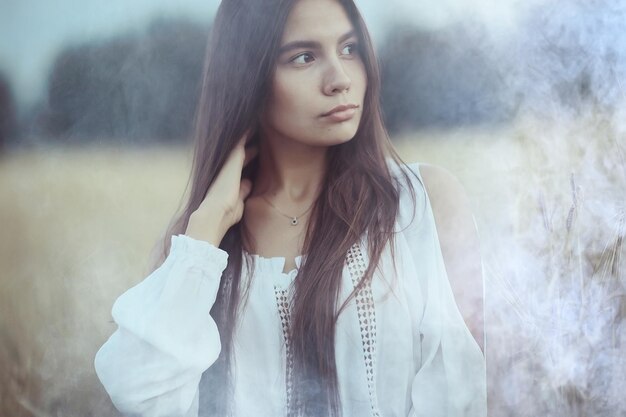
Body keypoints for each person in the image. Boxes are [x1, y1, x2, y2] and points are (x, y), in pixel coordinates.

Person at [94, 0, 487, 416]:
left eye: (350, 49)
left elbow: (460, 394)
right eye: (304, 57)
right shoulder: (200, 251)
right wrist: (209, 224)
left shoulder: (421, 204)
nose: (340, 79)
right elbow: (145, 399)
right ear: (250, 78)